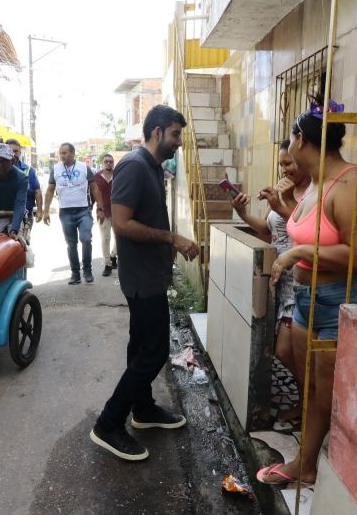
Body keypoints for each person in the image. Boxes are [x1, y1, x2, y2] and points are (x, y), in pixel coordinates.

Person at [256, 100, 357, 487]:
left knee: (326, 393)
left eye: (292, 138)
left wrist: (297, 253)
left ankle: (309, 466)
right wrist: (286, 207)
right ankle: (309, 460)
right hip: (307, 301)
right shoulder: (314, 185)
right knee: (310, 387)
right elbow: (318, 231)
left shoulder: (354, 182)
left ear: (301, 140)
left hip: (341, 302)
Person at [90, 105, 199, 461]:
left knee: (141, 347)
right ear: (156, 133)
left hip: (151, 275)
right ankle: (109, 423)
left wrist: (170, 242)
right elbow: (121, 223)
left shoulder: (152, 167)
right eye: (175, 135)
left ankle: (143, 408)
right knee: (152, 352)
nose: (178, 142)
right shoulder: (134, 166)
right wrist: (171, 239)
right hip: (142, 278)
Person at [230, 139, 311, 423]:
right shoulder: (284, 190)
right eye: (281, 164)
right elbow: (268, 228)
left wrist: (284, 202)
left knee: (286, 351)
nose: (284, 169)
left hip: (302, 281)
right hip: (281, 282)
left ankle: (310, 402)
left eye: (289, 163)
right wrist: (241, 213)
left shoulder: (312, 194)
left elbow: (308, 232)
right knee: (287, 351)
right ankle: (307, 401)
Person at [43, 142, 104, 284]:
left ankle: (87, 270)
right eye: (61, 153)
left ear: (73, 153)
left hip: (84, 210)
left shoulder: (84, 167)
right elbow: (50, 190)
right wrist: (45, 211)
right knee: (71, 244)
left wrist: (100, 209)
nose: (62, 155)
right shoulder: (56, 169)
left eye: (65, 152)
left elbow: (94, 188)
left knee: (86, 239)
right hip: (66, 212)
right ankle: (75, 274)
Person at [7, 138, 43, 240]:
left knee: (23, 243)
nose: (13, 154)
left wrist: (40, 211)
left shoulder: (28, 170)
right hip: (5, 213)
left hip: (26, 215)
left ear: (20, 152)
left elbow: (37, 191)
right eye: (10, 151)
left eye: (15, 151)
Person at [95, 153, 117, 276]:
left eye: (110, 161)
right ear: (102, 163)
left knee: (120, 237)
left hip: (118, 212)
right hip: (103, 212)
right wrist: (97, 209)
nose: (108, 163)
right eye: (106, 161)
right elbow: (93, 193)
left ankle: (113, 255)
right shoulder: (96, 177)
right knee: (105, 238)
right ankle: (107, 264)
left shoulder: (118, 175)